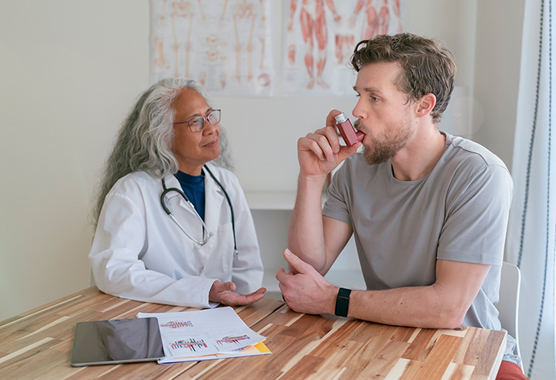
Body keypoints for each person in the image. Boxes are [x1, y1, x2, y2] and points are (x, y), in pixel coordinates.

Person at [276, 33, 527, 379]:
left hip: (473, 354)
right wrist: (312, 177)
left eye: (375, 97)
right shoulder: (355, 170)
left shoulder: (479, 175)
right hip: (388, 342)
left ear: (423, 106)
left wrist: (332, 299)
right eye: (359, 95)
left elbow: (448, 308)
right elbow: (307, 268)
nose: (357, 111)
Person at [90, 77, 265, 309]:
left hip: (222, 321)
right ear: (164, 137)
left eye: (210, 115)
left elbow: (247, 267)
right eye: (196, 122)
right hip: (156, 319)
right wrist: (200, 292)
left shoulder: (227, 183)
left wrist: (242, 307)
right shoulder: (131, 192)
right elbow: (114, 270)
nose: (212, 128)